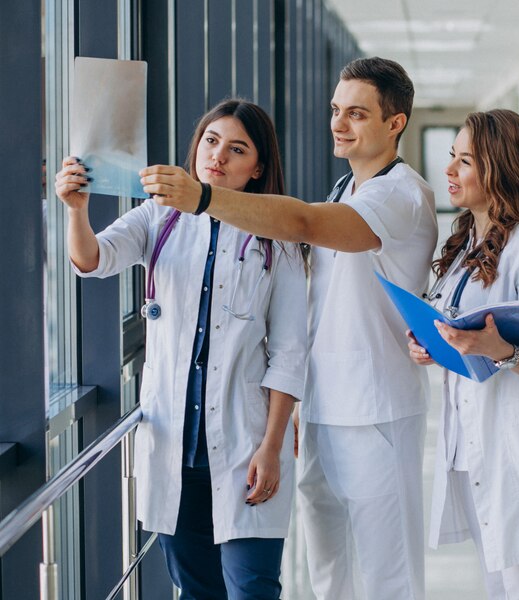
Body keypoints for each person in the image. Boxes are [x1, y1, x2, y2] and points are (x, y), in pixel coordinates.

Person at [140, 57, 438, 599]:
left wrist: (202, 198)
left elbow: (301, 223)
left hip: (376, 412)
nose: (338, 124)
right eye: (334, 110)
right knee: (331, 576)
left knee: (387, 578)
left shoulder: (400, 195)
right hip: (326, 410)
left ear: (395, 123)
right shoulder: (346, 187)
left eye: (356, 114)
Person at [54, 99, 306, 599]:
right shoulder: (159, 217)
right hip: (176, 451)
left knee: (253, 589)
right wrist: (77, 211)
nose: (218, 156)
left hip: (244, 448)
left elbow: (290, 352)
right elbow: (93, 259)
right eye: (211, 142)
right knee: (196, 592)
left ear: (257, 168)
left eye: (237, 149)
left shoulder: (278, 239)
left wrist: (273, 446)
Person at [407, 109, 519, 599]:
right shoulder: (464, 244)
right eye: (452, 158)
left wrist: (499, 349)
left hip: (518, 437)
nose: (449, 171)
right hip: (471, 436)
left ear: (499, 168)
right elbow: (457, 332)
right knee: (497, 581)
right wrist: (433, 345)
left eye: (465, 161)